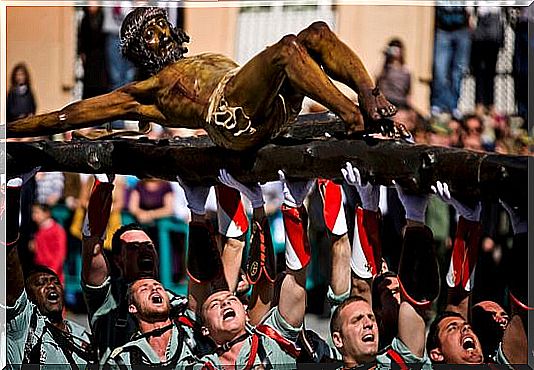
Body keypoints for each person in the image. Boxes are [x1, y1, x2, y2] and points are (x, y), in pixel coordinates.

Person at [7, 7, 400, 150]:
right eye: (149, 34)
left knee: (315, 32)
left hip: (266, 102)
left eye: (161, 25)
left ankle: (368, 95)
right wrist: (8, 130)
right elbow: (67, 115)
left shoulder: (206, 56)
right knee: (286, 49)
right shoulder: (144, 91)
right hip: (233, 122)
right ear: (140, 51)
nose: (160, 35)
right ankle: (353, 116)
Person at [329, 163, 440, 369]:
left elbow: (413, 303)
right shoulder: (351, 323)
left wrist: (415, 216)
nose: (397, 297)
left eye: (398, 291)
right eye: (388, 292)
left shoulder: (398, 360)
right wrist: (368, 206)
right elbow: (360, 288)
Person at [6, 172, 96, 367]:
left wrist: (103, 186)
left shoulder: (82, 335)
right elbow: (9, 260)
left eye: (54, 282)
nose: (51, 286)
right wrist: (13, 190)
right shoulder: (21, 328)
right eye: (41, 283)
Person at [431, 6, 472, 119]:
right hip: (442, 28)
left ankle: (453, 105)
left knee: (458, 72)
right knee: (440, 70)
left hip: (462, 28)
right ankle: (438, 104)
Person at [30, 202, 68, 284]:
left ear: (47, 213)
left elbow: (60, 253)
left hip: (54, 274)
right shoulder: (38, 232)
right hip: (40, 273)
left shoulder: (57, 230)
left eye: (37, 212)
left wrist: (52, 270)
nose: (34, 216)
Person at [78, 6, 109, 99]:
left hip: (102, 59)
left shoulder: (104, 18)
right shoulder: (85, 20)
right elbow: (82, 39)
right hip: (90, 60)